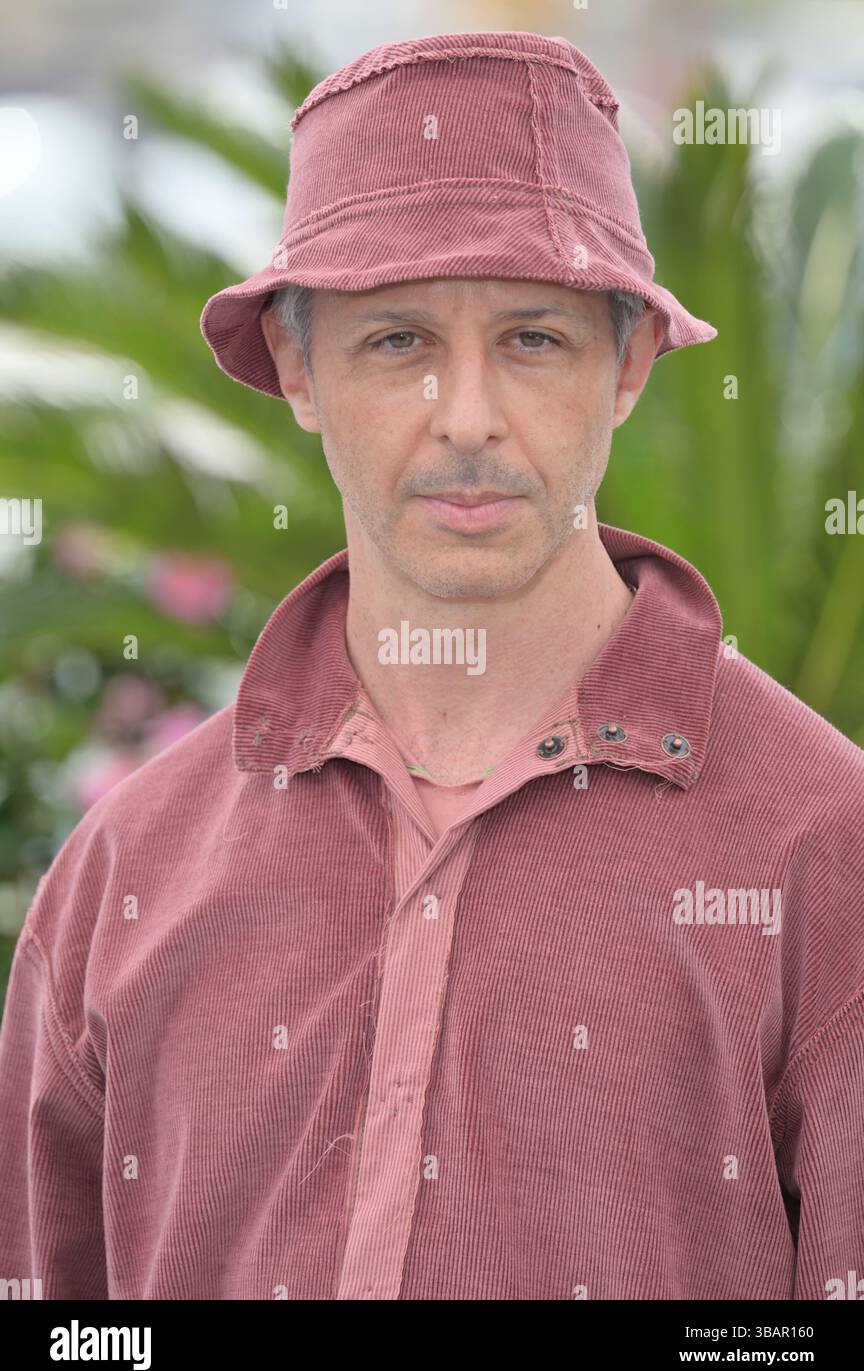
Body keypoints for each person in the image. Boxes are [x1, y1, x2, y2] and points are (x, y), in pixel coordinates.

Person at [1, 30, 862, 1302]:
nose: (467, 416)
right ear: (295, 367)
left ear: (628, 365)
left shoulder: (822, 846)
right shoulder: (123, 878)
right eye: (397, 341)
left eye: (534, 340)